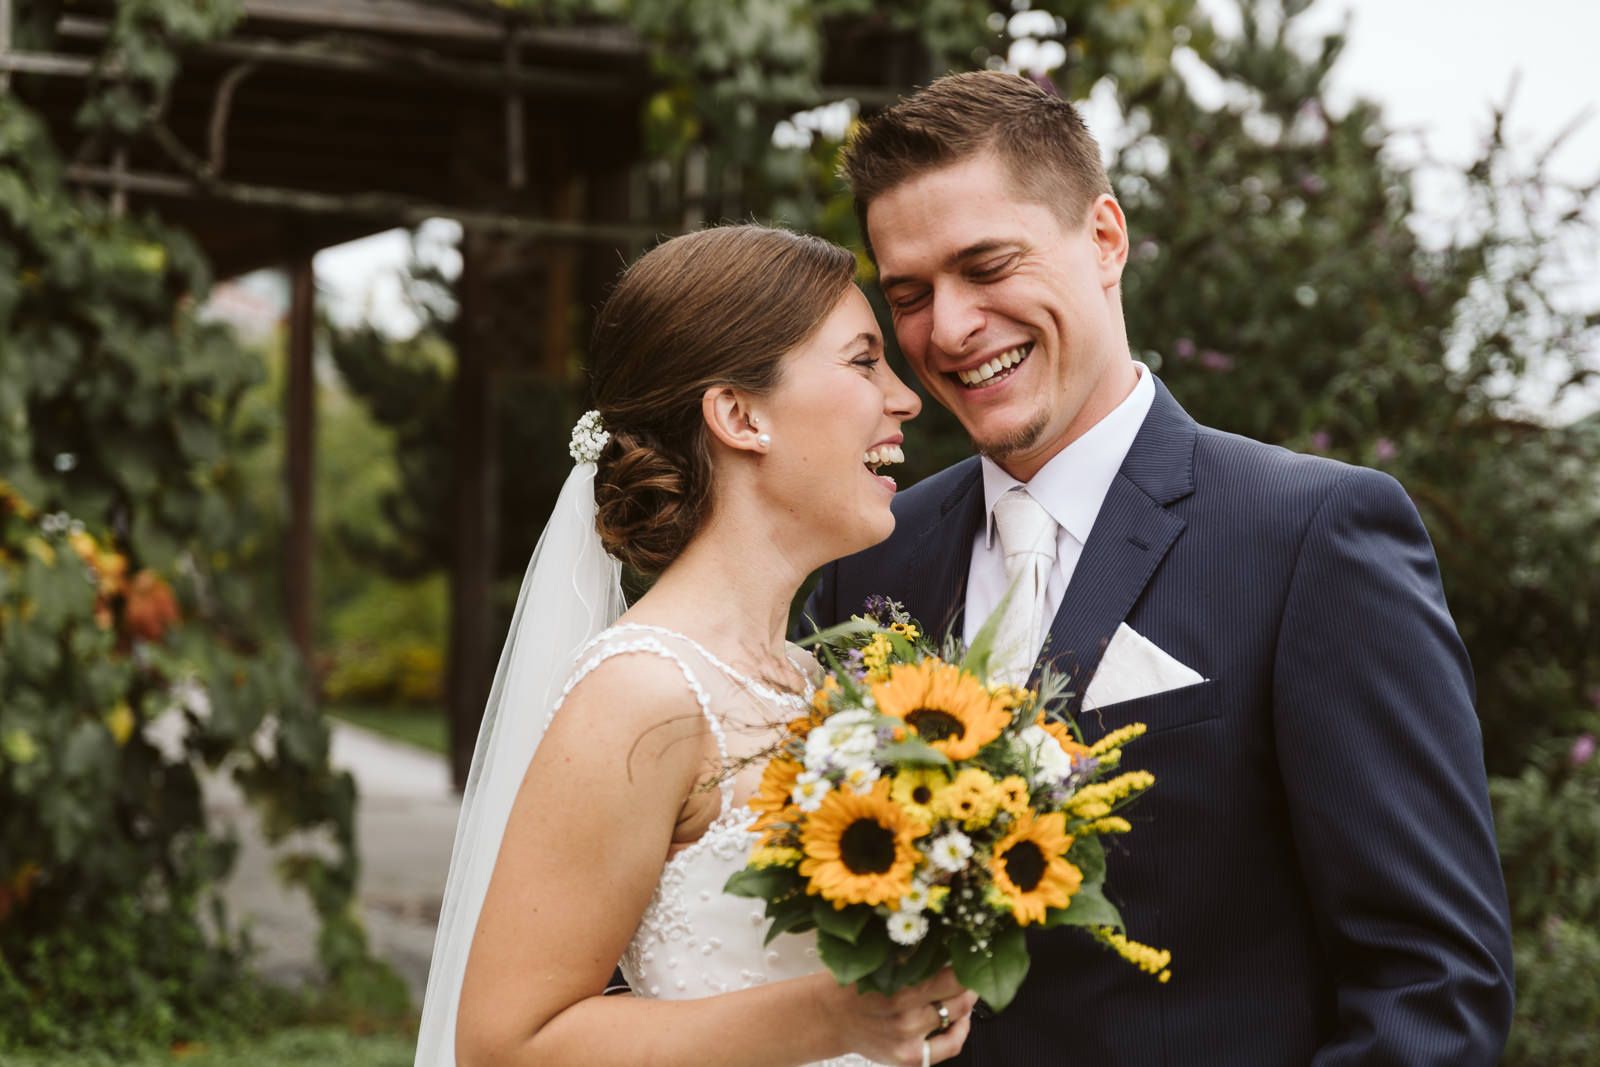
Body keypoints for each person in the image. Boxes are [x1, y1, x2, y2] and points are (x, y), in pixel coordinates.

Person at [804, 71, 1515, 1066]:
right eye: (909, 295)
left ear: (1105, 238)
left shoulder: (1313, 534)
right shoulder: (870, 557)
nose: (949, 328)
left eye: (986, 266)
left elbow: (1433, 985)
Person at [413, 224, 980, 1067]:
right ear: (740, 415)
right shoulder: (641, 693)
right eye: (865, 361)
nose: (906, 398)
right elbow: (504, 1044)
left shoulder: (818, 681)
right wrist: (832, 1020)